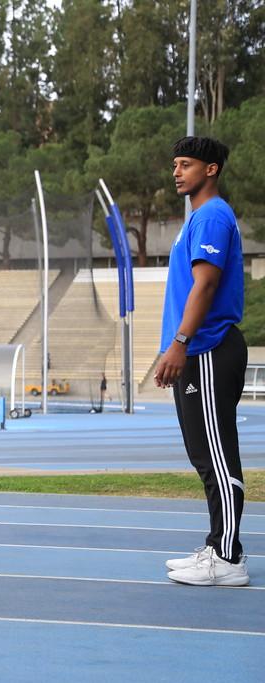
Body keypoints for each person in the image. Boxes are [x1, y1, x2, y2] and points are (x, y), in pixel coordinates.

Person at [155, 136, 249, 587]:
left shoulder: (211, 215)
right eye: (175, 164)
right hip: (195, 350)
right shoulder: (196, 218)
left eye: (186, 164)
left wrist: (180, 342)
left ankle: (229, 557)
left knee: (216, 456)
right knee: (202, 454)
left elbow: (206, 286)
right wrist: (172, 346)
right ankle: (217, 545)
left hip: (208, 348)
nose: (176, 171)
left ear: (210, 169)